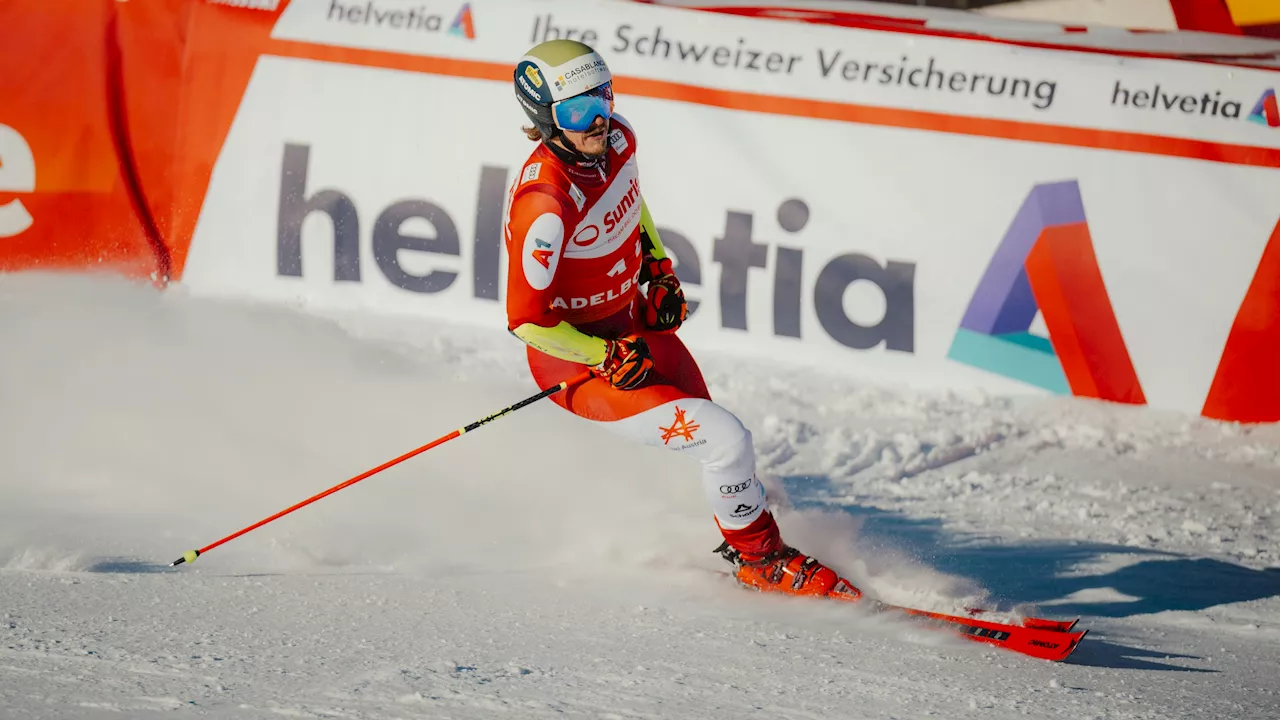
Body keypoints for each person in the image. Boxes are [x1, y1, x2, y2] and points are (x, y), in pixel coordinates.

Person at [502, 39, 860, 602]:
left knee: (718, 431)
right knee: (724, 438)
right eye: (577, 110)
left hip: (634, 325)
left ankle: (744, 524)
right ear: (546, 120)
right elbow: (525, 321)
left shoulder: (617, 141)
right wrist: (601, 355)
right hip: (581, 362)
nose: (598, 118)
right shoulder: (546, 205)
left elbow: (630, 200)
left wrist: (658, 268)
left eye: (603, 96)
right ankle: (760, 560)